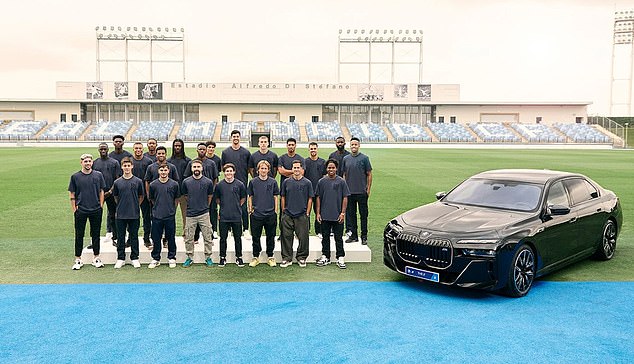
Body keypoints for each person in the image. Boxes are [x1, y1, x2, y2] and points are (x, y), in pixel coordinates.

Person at [68, 153, 106, 270]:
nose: (88, 163)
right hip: (81, 210)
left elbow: (101, 191)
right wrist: (74, 208)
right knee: (79, 234)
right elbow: (72, 193)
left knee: (95, 234)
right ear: (81, 163)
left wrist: (100, 205)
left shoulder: (98, 175)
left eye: (89, 161)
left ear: (92, 162)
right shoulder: (75, 177)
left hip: (95, 209)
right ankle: (78, 259)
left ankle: (96, 257)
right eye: (85, 161)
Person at [315, 159, 350, 269]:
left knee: (338, 238)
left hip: (337, 215)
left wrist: (343, 213)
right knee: (325, 237)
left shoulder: (341, 182)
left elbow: (345, 197)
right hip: (325, 215)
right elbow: (318, 198)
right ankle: (326, 256)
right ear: (326, 169)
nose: (331, 169)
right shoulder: (321, 182)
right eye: (329, 167)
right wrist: (318, 213)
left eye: (333, 167)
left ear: (336, 168)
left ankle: (340, 257)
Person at [279, 159, 314, 268]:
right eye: (294, 167)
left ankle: (302, 257)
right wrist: (284, 210)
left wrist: (307, 212)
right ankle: (287, 258)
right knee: (286, 237)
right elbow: (283, 196)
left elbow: (310, 198)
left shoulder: (307, 183)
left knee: (303, 237)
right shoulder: (286, 182)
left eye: (298, 167)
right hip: (288, 214)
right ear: (292, 169)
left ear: (302, 169)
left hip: (302, 214)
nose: (296, 169)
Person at [181, 159, 215, 268]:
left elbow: (210, 196)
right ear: (191, 169)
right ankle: (189, 257)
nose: (196, 169)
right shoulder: (186, 182)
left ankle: (208, 257)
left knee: (208, 236)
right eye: (194, 167)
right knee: (189, 237)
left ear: (202, 168)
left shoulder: (208, 182)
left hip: (204, 213)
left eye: (198, 167)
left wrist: (204, 206)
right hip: (190, 214)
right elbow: (186, 196)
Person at [112, 157, 144, 269]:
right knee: (121, 237)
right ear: (121, 167)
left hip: (134, 213)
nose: (126, 168)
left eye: (128, 165)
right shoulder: (117, 182)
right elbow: (116, 197)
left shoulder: (138, 181)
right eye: (124, 166)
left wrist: (135, 205)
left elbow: (141, 196)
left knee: (134, 236)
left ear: (132, 166)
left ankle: (135, 258)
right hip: (120, 214)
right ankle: (121, 258)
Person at [144, 146, 179, 248]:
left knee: (169, 222)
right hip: (155, 198)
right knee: (154, 220)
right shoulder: (151, 167)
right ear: (156, 154)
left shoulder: (171, 167)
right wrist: (148, 195)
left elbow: (176, 182)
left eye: (163, 153)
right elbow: (147, 181)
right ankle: (152, 240)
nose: (161, 155)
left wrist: (173, 201)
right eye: (159, 153)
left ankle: (166, 240)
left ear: (165, 154)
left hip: (168, 199)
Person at [183, 143, 219, 242]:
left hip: (208, 193)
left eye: (204, 149)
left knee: (210, 212)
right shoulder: (192, 163)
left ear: (206, 150)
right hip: (195, 194)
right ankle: (195, 236)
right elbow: (187, 177)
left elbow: (215, 178)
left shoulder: (211, 163)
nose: (202, 151)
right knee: (196, 215)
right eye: (200, 149)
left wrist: (213, 189)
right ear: (197, 150)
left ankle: (211, 233)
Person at [247, 160, 279, 267]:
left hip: (270, 214)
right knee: (256, 237)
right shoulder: (253, 182)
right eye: (261, 168)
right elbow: (250, 196)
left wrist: (275, 210)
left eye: (265, 168)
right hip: (257, 214)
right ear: (258, 170)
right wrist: (251, 209)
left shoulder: (273, 182)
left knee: (271, 236)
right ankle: (256, 256)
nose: (263, 170)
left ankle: (270, 256)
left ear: (268, 170)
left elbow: (275, 196)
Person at [148, 164, 181, 268]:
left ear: (168, 171)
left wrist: (171, 210)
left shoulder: (174, 184)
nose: (163, 172)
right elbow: (152, 199)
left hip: (169, 215)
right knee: (156, 238)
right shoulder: (153, 185)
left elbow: (176, 199)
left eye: (165, 170)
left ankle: (171, 257)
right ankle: (156, 258)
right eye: (161, 170)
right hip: (157, 215)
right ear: (158, 171)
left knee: (171, 237)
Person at [214, 163, 247, 267]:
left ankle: (239, 257)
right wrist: (224, 206)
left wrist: (236, 206)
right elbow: (217, 199)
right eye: (227, 171)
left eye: (230, 171)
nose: (229, 173)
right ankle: (222, 257)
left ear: (234, 172)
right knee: (223, 238)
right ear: (224, 173)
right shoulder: (219, 185)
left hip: (236, 216)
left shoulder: (240, 184)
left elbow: (243, 198)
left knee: (237, 238)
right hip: (224, 216)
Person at [341, 137, 372, 245]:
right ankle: (354, 235)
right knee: (351, 215)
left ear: (359, 146)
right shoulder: (346, 159)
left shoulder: (364, 158)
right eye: (352, 144)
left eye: (356, 144)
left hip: (361, 192)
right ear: (350, 146)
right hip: (350, 193)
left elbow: (369, 174)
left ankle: (364, 236)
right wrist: (344, 188)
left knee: (363, 215)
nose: (354, 146)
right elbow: (344, 174)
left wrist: (368, 188)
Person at [221, 130, 251, 232]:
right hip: (228, 183)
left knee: (243, 206)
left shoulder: (246, 152)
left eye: (237, 136)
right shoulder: (225, 152)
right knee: (229, 206)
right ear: (231, 138)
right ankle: (229, 230)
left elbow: (249, 168)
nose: (235, 138)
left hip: (242, 182)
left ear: (240, 137)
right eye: (234, 136)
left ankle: (246, 229)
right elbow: (223, 167)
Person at [92, 142, 121, 247]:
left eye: (105, 149)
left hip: (111, 193)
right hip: (98, 193)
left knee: (113, 216)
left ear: (108, 150)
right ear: (98, 150)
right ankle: (94, 240)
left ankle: (115, 237)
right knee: (95, 217)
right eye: (101, 149)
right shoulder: (95, 163)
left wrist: (110, 192)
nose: (103, 151)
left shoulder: (114, 162)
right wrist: (100, 193)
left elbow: (117, 179)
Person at [131, 142, 154, 248]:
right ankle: (130, 238)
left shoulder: (148, 161)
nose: (138, 150)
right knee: (131, 217)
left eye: (140, 148)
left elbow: (149, 179)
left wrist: (148, 193)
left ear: (142, 149)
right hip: (131, 194)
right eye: (136, 148)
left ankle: (146, 238)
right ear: (133, 149)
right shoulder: (129, 161)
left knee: (146, 217)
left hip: (144, 194)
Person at [168, 138, 191, 237]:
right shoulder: (168, 161)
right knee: (169, 215)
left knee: (186, 216)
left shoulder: (188, 161)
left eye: (179, 146)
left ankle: (186, 235)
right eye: (176, 146)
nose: (177, 147)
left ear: (182, 147)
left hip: (184, 194)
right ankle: (168, 236)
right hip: (171, 194)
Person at [303, 141, 326, 237]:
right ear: (309, 150)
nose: (313, 150)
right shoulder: (305, 161)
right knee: (305, 211)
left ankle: (319, 231)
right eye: (311, 148)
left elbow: (325, 176)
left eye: (314, 148)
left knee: (319, 211)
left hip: (318, 191)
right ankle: (305, 230)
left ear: (317, 149)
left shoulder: (322, 162)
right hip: (307, 191)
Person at [205, 140, 222, 236]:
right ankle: (200, 231)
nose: (211, 149)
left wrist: (214, 187)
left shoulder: (217, 159)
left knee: (213, 209)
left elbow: (217, 173)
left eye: (212, 147)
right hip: (203, 189)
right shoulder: (203, 159)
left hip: (214, 188)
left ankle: (214, 230)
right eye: (209, 147)